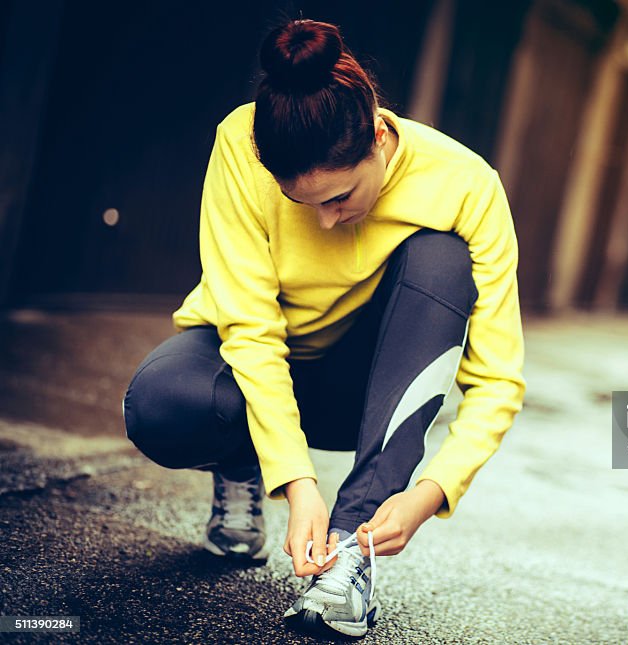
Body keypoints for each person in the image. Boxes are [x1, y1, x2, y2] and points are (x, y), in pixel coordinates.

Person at [121, 18, 525, 639]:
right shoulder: (239, 140)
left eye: (340, 198)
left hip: (356, 391)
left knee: (444, 257)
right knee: (161, 405)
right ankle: (241, 461)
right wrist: (296, 480)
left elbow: (497, 378)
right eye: (304, 205)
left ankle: (348, 556)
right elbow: (251, 328)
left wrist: (432, 492)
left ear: (380, 139)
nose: (328, 222)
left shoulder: (467, 184)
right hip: (247, 359)